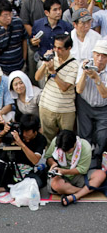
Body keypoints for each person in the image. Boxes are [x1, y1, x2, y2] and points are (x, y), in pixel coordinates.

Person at [0, 113, 47, 192]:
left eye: (27, 131)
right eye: (23, 130)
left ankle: (5, 188)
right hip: (8, 169)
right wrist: (4, 131)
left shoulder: (40, 139)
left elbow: (35, 160)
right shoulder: (16, 131)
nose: (24, 134)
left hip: (27, 171)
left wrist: (21, 144)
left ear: (35, 130)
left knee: (37, 183)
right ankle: (16, 187)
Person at [35, 33, 78, 144]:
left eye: (60, 48)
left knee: (66, 140)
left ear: (69, 48)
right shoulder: (51, 58)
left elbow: (64, 87)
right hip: (46, 106)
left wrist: (53, 72)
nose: (56, 50)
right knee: (47, 140)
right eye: (55, 47)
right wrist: (45, 64)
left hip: (65, 110)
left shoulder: (74, 65)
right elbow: (37, 77)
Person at [75, 39, 107, 167]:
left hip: (103, 107)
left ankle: (98, 157)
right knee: (84, 134)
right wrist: (84, 73)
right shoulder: (85, 65)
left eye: (104, 56)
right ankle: (85, 159)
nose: (99, 59)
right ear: (93, 54)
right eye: (97, 55)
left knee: (102, 136)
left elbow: (104, 94)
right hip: (85, 104)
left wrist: (96, 78)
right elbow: (79, 89)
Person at [45, 127, 95, 203]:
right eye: (62, 150)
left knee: (100, 175)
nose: (64, 152)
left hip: (78, 175)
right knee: (56, 185)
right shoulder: (57, 141)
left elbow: (82, 170)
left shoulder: (85, 146)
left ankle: (73, 193)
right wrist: (53, 164)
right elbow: (48, 156)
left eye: (67, 151)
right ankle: (84, 191)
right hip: (60, 176)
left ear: (75, 143)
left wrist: (64, 171)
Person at [0, 0, 28, 75]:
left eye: (10, 14)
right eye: (5, 15)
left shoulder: (18, 23)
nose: (9, 18)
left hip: (20, 67)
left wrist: (24, 59)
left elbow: (24, 40)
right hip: (4, 70)